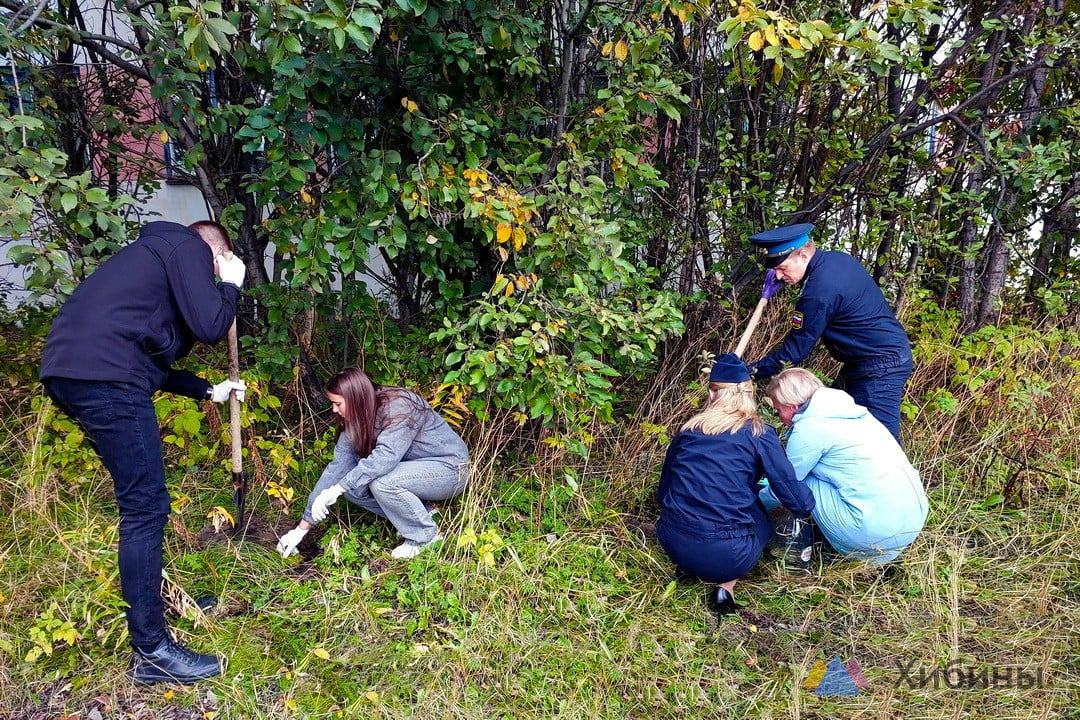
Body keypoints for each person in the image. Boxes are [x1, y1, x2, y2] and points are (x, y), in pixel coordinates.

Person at [39, 220, 248, 685]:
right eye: (216, 271)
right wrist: (231, 287)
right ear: (215, 256)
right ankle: (152, 651)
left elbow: (148, 359)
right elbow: (212, 324)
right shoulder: (185, 246)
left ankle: (157, 606)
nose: (211, 280)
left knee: (141, 504)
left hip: (76, 373)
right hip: (105, 379)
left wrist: (207, 389)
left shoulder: (147, 267)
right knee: (145, 507)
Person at [655, 353, 815, 618]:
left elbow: (665, 491)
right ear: (749, 393)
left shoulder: (688, 430)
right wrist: (808, 503)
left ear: (714, 394)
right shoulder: (758, 433)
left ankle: (688, 565)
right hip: (727, 557)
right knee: (760, 519)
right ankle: (725, 586)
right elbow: (791, 494)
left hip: (671, 539)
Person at [277, 368, 470, 561]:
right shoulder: (354, 421)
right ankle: (425, 511)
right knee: (352, 488)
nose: (334, 410)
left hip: (450, 469)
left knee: (381, 483)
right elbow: (337, 469)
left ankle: (426, 537)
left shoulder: (399, 406)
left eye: (337, 404)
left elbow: (386, 456)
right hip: (414, 475)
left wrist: (337, 488)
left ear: (355, 398)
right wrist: (301, 528)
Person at [746, 223, 912, 442]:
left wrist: (749, 372)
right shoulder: (836, 260)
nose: (777, 276)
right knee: (830, 421)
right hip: (865, 361)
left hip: (881, 366)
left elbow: (794, 352)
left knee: (882, 441)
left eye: (783, 268)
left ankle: (894, 477)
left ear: (803, 254)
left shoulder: (818, 292)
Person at [761, 368, 928, 566]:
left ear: (793, 406)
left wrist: (751, 504)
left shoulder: (810, 428)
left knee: (799, 482)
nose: (779, 416)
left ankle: (851, 549)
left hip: (870, 536)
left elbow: (786, 486)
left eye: (778, 410)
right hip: (910, 526)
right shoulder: (856, 414)